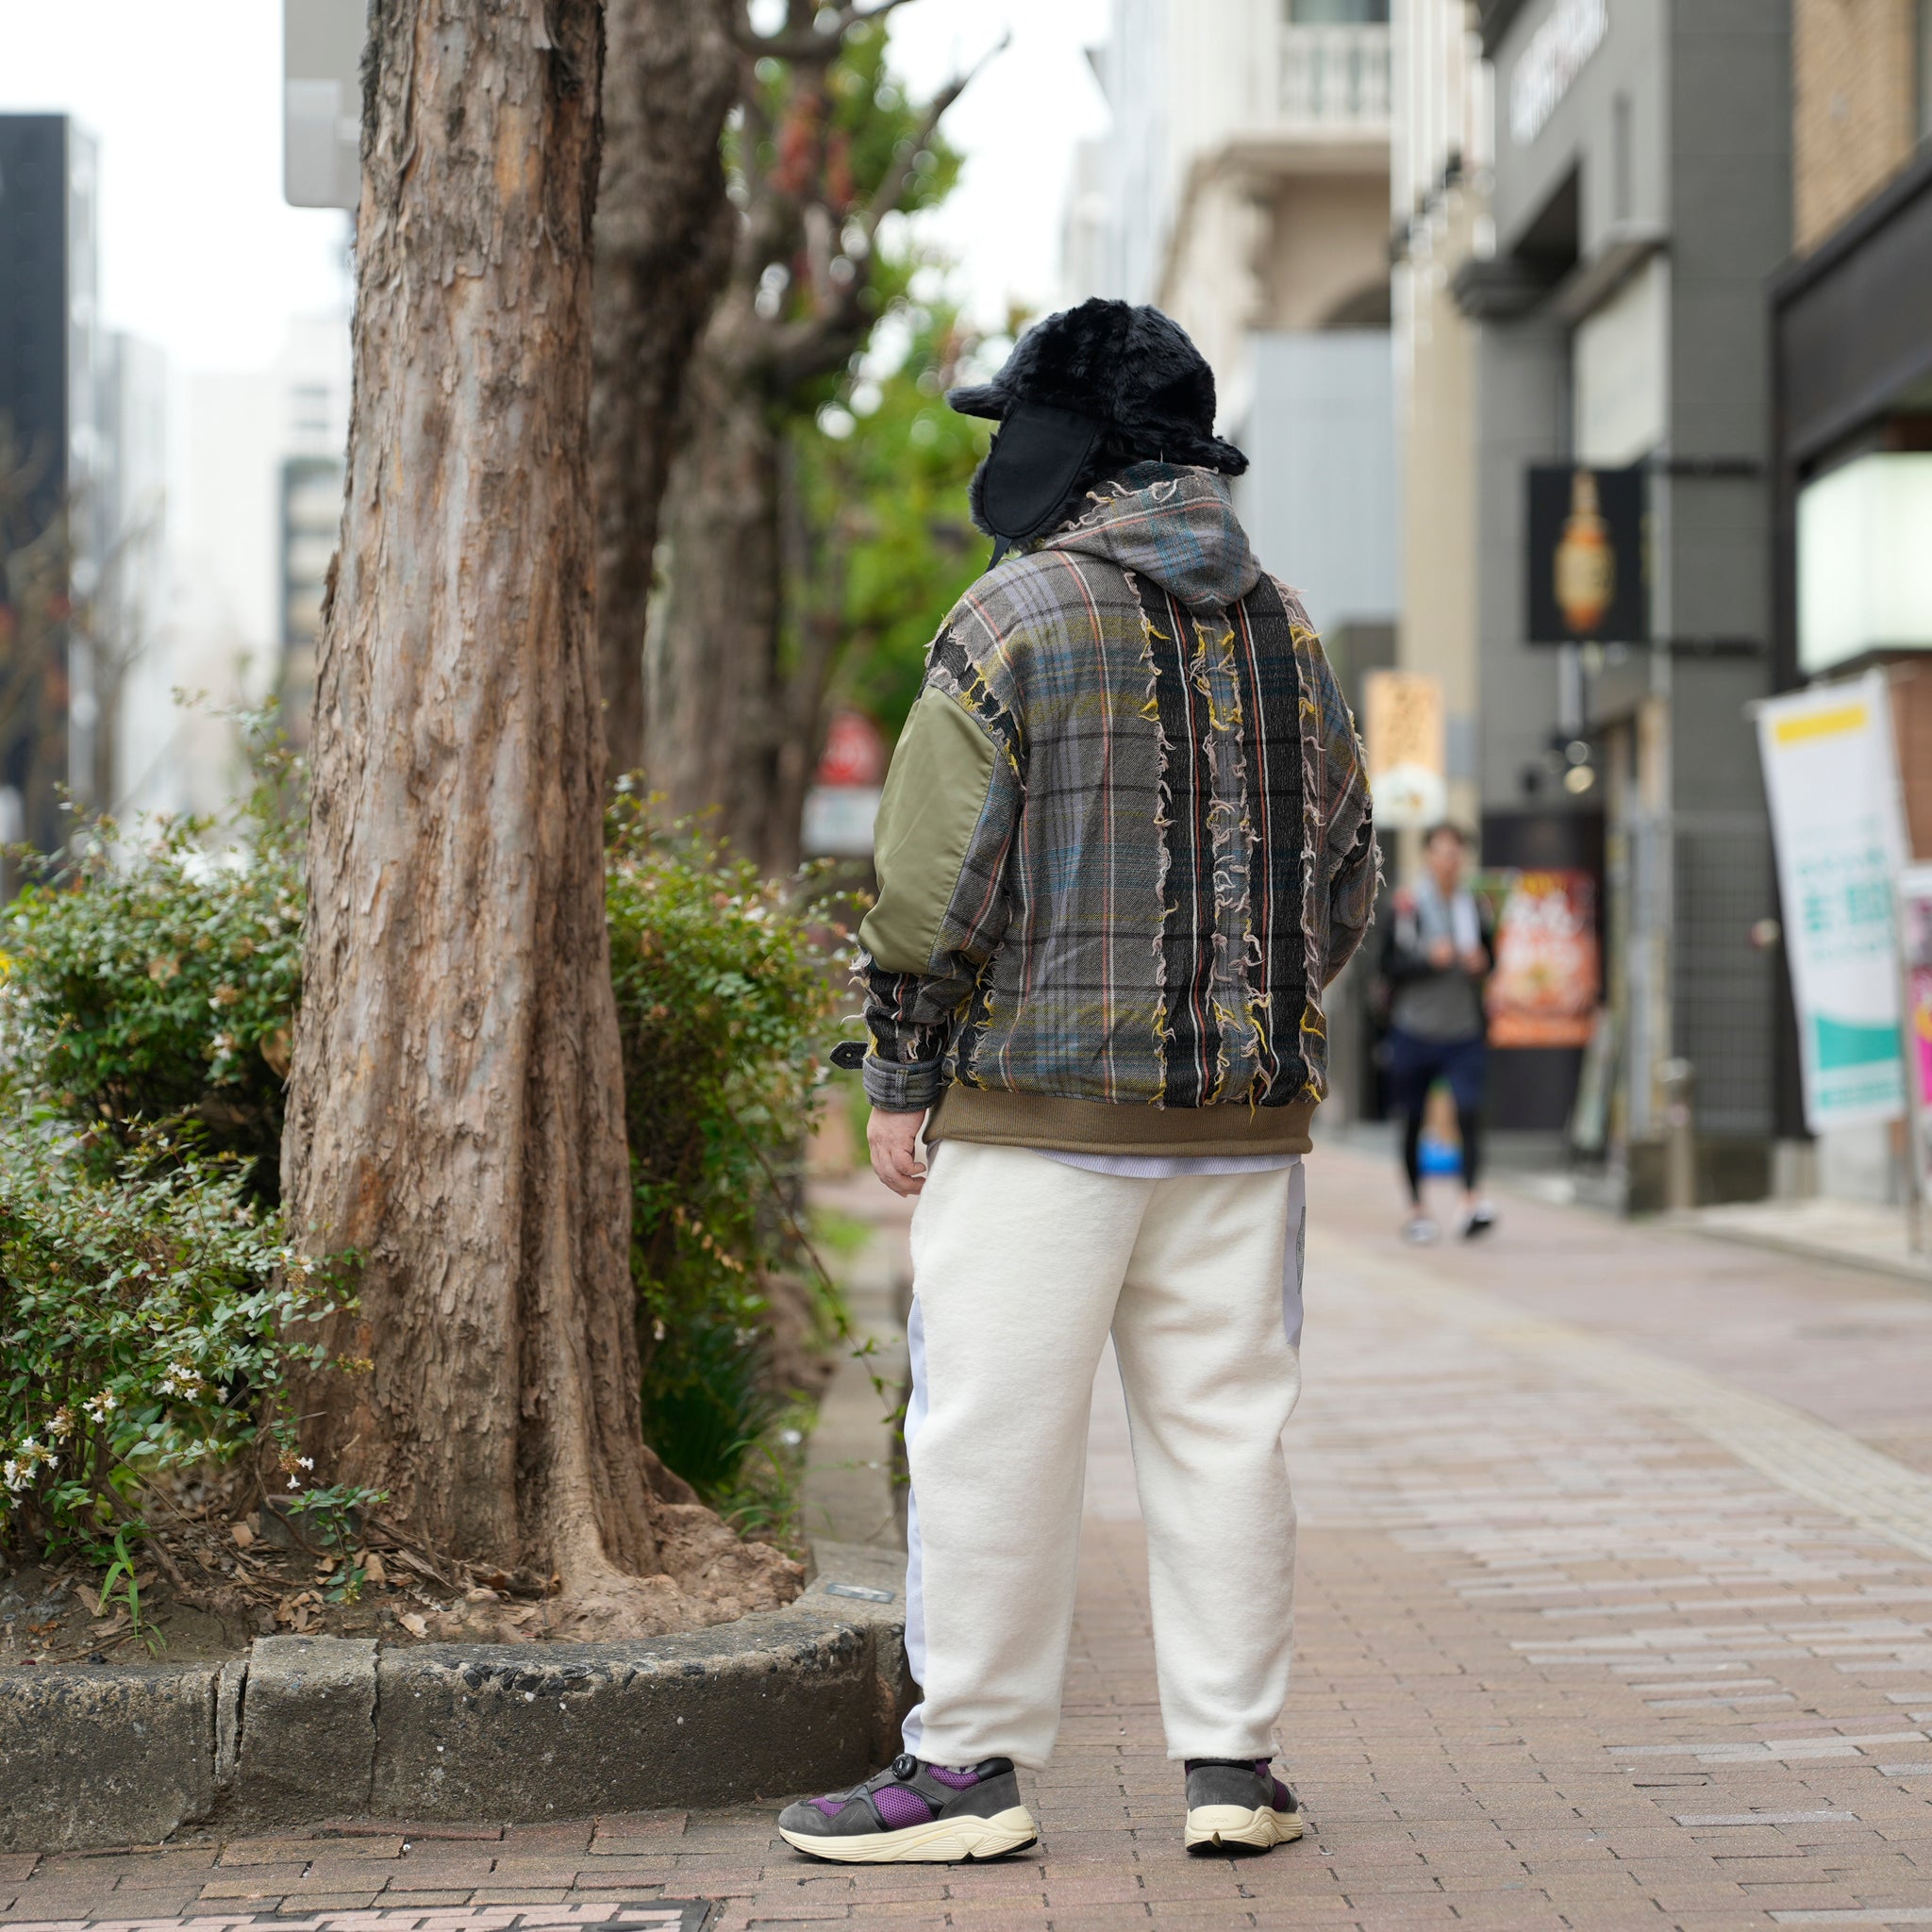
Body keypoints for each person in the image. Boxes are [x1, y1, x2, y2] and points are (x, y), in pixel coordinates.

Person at [776, 299, 1378, 1865]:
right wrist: (1246, 1016)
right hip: (1241, 1128)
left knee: (990, 1435)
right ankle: (1232, 1765)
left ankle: (968, 1766)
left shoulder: (1009, 620)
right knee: (1224, 1432)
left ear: (1069, 446)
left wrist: (901, 1068)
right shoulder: (1290, 627)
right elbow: (1345, 874)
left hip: (1037, 1118)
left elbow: (927, 884)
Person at [1378, 823, 1496, 1243]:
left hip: (1463, 1029)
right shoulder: (1407, 906)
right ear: (1428, 857)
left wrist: (1482, 961)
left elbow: (1491, 957)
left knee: (1469, 1111)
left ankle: (1470, 1201)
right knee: (1412, 1119)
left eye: (1456, 853)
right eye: (1442, 852)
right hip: (1415, 1029)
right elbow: (1387, 967)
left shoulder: (1475, 905)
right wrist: (1430, 960)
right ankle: (1418, 1209)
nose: (1449, 861)